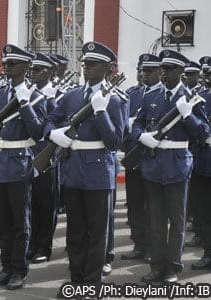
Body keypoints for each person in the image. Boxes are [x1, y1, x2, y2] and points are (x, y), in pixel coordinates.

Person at [45, 42, 124, 298]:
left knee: (97, 234)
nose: (86, 68)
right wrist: (53, 134)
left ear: (108, 69)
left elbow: (114, 142)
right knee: (75, 233)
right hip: (73, 170)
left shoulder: (116, 100)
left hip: (99, 173)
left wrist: (101, 111)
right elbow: (50, 122)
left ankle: (92, 285)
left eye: (93, 64)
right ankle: (76, 282)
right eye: (85, 64)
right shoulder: (72, 96)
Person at [133, 49, 209, 283]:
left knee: (176, 221)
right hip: (154, 165)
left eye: (170, 69)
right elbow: (137, 124)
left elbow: (202, 133)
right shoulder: (151, 97)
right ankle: (157, 266)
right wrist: (142, 136)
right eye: (163, 69)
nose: (165, 73)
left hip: (177, 165)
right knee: (155, 219)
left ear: (180, 72)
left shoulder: (191, 98)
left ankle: (173, 267)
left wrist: (188, 115)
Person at [0, 44, 46, 290]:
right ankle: (6, 267)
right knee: (2, 223)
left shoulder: (36, 96)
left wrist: (25, 106)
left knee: (20, 223)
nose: (7, 67)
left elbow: (38, 132)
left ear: (27, 67)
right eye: (5, 64)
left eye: (13, 64)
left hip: (19, 164)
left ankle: (19, 269)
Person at [121, 53, 162, 262]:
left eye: (149, 71)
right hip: (134, 154)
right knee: (135, 203)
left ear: (159, 72)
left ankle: (153, 248)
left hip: (154, 157)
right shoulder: (132, 94)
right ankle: (139, 243)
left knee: (153, 205)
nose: (143, 74)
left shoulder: (165, 95)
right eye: (141, 70)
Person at [25, 52, 59, 264]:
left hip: (46, 157)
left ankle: (44, 247)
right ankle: (33, 243)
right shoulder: (28, 93)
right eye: (32, 70)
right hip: (29, 154)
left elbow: (54, 124)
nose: (33, 74)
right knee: (32, 203)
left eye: (37, 70)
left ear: (47, 72)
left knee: (46, 204)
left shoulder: (55, 95)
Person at [191, 56, 211, 270]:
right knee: (204, 210)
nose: (207, 78)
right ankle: (208, 252)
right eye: (206, 74)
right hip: (204, 160)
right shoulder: (200, 97)